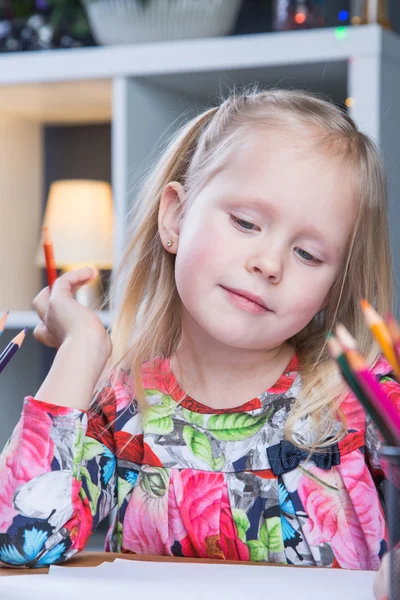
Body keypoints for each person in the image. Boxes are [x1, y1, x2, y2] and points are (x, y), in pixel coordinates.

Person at [0, 89, 398, 598]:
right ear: (175, 217)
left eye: (307, 253)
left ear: (334, 286)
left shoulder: (365, 399)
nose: (269, 263)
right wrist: (81, 347)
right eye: (245, 223)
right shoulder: (123, 406)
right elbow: (19, 540)